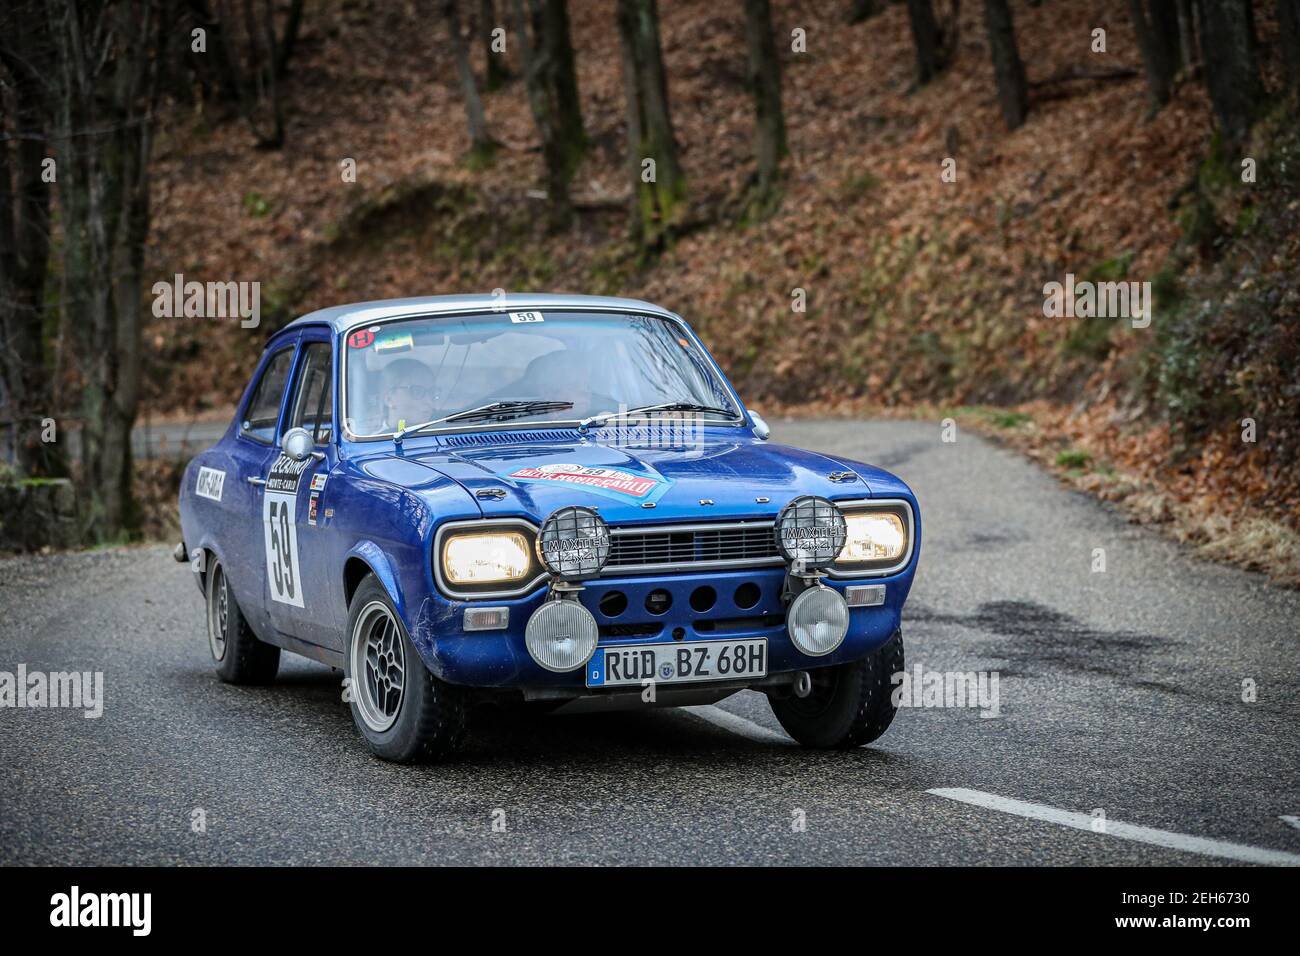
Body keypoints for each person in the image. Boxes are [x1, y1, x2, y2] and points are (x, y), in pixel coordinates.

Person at [379, 358, 438, 432]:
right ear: (389, 399)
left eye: (431, 392)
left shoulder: (445, 436)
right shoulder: (370, 442)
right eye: (417, 391)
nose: (429, 401)